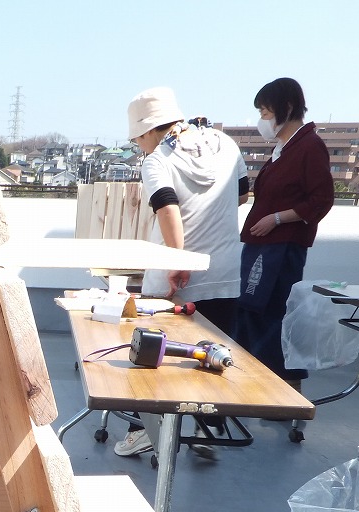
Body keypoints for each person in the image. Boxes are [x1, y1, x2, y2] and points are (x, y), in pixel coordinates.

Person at [114, 87, 250, 459]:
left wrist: (178, 260)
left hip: (175, 277)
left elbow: (167, 209)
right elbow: (241, 196)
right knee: (213, 354)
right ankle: (207, 429)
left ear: (146, 131)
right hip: (223, 271)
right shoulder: (225, 144)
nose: (139, 146)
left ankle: (143, 430)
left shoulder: (157, 159)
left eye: (136, 140)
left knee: (152, 353)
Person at [233, 77, 334, 388]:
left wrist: (277, 219)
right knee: (252, 311)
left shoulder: (309, 146)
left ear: (286, 108)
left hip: (281, 247)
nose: (262, 120)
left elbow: (321, 199)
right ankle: (252, 381)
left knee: (271, 313)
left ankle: (279, 386)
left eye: (265, 112)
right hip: (262, 245)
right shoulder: (282, 149)